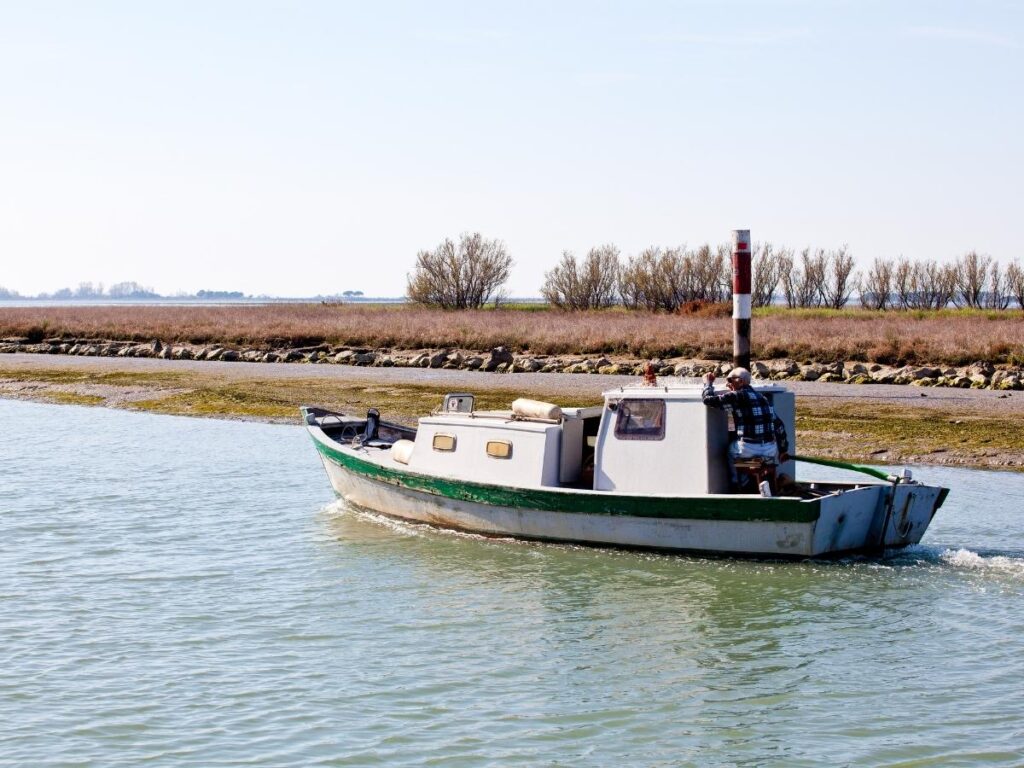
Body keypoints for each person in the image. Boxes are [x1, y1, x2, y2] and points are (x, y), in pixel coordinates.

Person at [701, 367, 790, 490]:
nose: (728, 384)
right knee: (741, 447)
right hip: (770, 450)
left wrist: (708, 383)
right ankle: (756, 480)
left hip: (749, 448)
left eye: (730, 380)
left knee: (730, 452)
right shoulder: (762, 398)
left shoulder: (737, 396)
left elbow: (708, 400)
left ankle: (739, 483)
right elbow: (779, 426)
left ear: (741, 381)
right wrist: (783, 450)